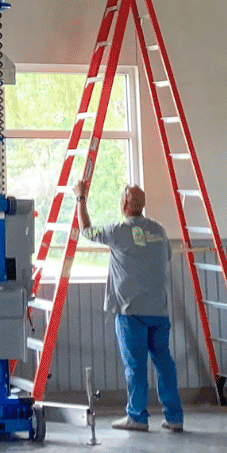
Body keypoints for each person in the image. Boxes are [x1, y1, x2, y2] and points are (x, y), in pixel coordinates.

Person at [77, 183, 182, 433]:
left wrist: (80, 197)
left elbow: (87, 231)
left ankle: (137, 416)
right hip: (158, 311)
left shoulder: (118, 231)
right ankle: (175, 417)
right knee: (164, 363)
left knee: (135, 366)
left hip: (131, 311)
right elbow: (164, 257)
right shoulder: (158, 230)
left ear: (124, 205)